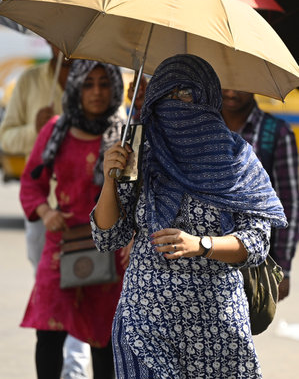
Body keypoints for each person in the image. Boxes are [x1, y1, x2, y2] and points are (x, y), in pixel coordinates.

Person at [90, 54, 287, 378]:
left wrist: (202, 244)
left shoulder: (236, 159)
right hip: (144, 321)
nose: (177, 105)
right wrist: (110, 177)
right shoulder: (140, 155)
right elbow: (108, 236)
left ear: (208, 99)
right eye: (168, 95)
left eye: (186, 95)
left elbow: (257, 242)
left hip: (217, 329)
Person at [19, 59, 126, 379]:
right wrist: (46, 212)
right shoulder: (55, 130)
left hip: (109, 246)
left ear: (115, 88)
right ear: (76, 86)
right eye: (88, 83)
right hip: (61, 246)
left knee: (104, 340)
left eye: (104, 83)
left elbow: (140, 196)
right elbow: (30, 183)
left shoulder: (124, 136)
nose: (96, 91)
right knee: (48, 333)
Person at [0, 44, 91, 379]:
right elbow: (7, 138)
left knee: (85, 288)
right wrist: (35, 130)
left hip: (87, 217)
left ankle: (75, 371)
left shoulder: (96, 83)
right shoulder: (29, 82)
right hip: (45, 216)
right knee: (53, 294)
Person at [221, 89, 299, 301]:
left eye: (240, 85)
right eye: (226, 83)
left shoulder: (276, 133)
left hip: (253, 261)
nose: (230, 92)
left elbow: (289, 205)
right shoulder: (200, 126)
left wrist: (284, 268)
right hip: (203, 255)